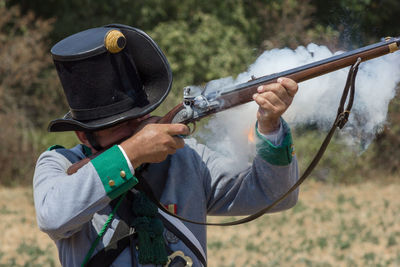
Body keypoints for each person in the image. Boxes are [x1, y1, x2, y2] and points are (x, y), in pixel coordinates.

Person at [33, 24, 299, 267]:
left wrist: (269, 126)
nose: (134, 130)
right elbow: (53, 217)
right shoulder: (60, 163)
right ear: (84, 136)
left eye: (138, 119)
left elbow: (275, 195)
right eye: (118, 126)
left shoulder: (188, 157)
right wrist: (132, 152)